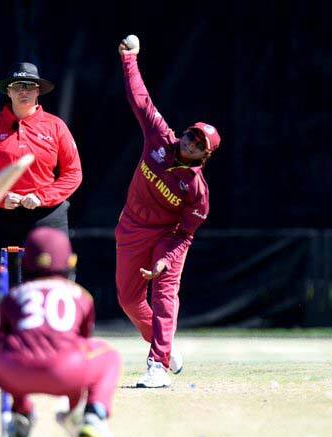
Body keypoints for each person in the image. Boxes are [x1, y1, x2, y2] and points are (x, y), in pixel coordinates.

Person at [115, 36, 222, 388]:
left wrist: (166, 260)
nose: (190, 142)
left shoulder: (196, 190)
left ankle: (157, 364)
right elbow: (140, 100)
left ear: (203, 157)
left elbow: (186, 234)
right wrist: (130, 59)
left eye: (198, 145)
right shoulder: (161, 138)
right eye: (192, 135)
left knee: (163, 292)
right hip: (131, 226)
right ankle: (166, 347)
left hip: (168, 236)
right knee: (129, 300)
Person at [0, 227, 121, 437]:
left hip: (15, 372)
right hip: (68, 372)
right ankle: (93, 416)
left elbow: (6, 341)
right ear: (70, 261)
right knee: (109, 355)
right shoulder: (82, 296)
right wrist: (73, 403)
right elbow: (81, 343)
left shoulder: (13, 296)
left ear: (26, 262)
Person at [0, 62, 82, 262]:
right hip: (2, 216)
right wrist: (0, 197)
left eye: (30, 86)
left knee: (50, 281)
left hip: (47, 216)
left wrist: (42, 197)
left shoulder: (55, 125)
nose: (24, 91)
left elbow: (73, 173)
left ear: (38, 90)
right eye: (18, 86)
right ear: (8, 91)